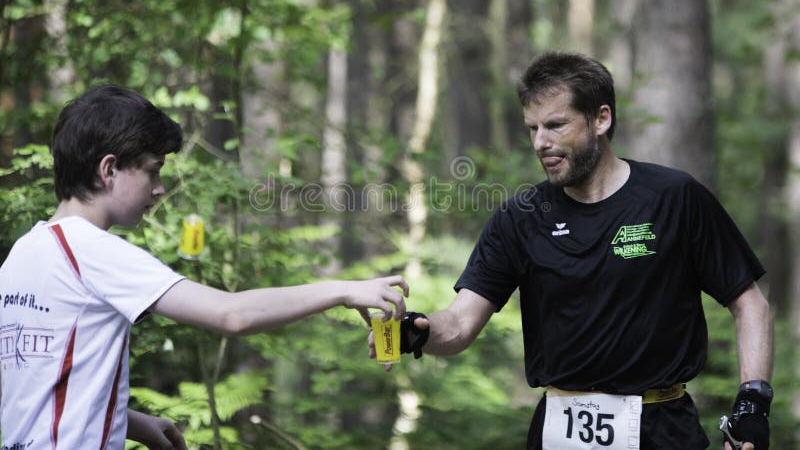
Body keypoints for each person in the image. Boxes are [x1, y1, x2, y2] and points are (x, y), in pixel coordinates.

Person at [375, 51, 774, 450]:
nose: (540, 143)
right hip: (558, 430)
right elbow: (460, 325)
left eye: (555, 125)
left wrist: (752, 405)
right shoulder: (521, 217)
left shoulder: (674, 198)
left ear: (601, 119)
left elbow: (750, 305)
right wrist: (412, 331)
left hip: (662, 426)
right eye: (532, 128)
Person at [0, 84, 409, 450]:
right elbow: (232, 315)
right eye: (153, 171)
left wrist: (130, 422)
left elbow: (35, 384)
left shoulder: (24, 254)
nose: (160, 188)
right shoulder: (93, 251)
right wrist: (343, 289)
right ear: (109, 170)